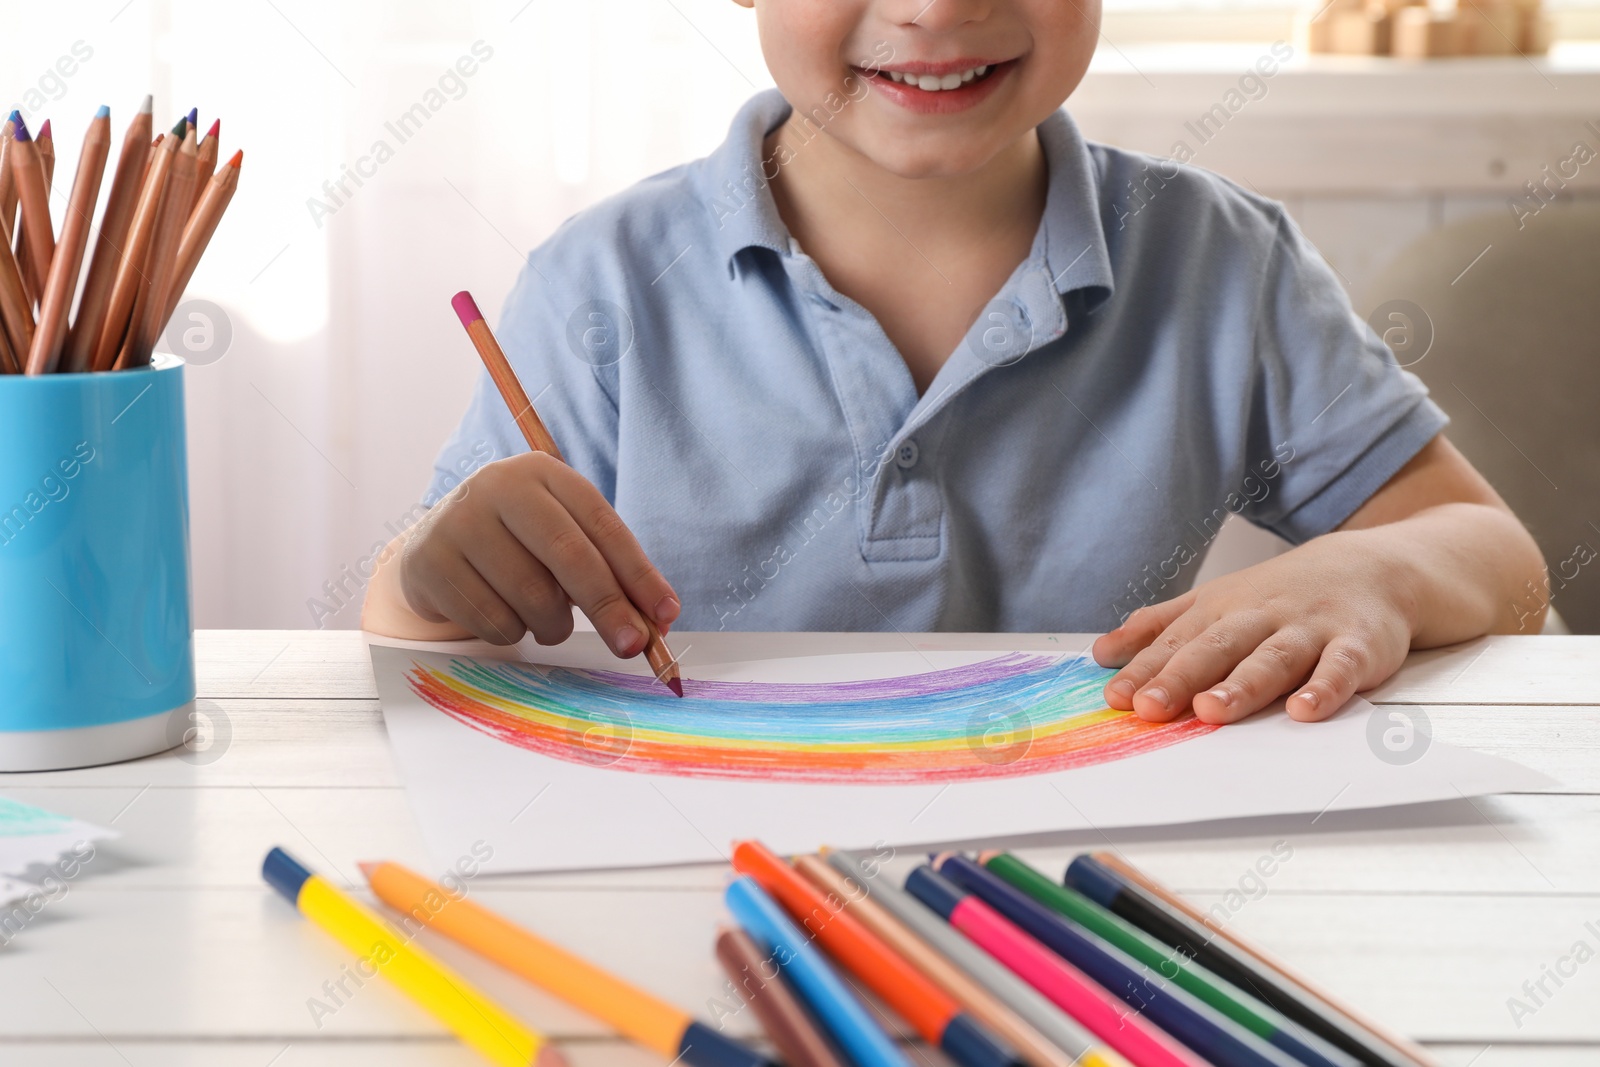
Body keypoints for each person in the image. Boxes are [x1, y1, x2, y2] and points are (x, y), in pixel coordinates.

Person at [363, 0, 1545, 726]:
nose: (933, 7)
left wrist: (1374, 579)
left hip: (1090, 886)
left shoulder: (1219, 260)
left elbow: (1501, 562)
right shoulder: (604, 281)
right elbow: (410, 619)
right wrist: (432, 568)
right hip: (693, 874)